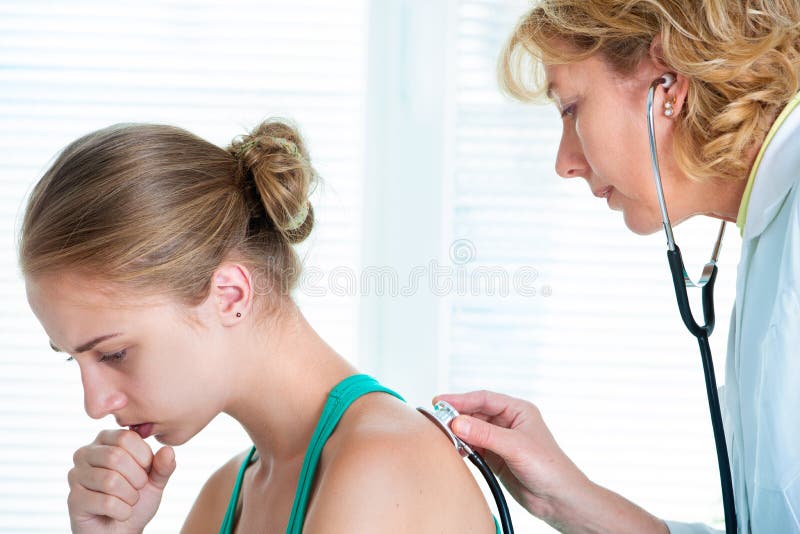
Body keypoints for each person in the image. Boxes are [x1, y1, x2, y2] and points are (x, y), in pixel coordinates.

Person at [19, 120, 500, 533]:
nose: (95, 404)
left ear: (230, 295)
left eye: (114, 354)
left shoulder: (386, 464)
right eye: (73, 358)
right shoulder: (228, 493)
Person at [437, 1, 800, 532]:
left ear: (666, 83)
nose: (564, 162)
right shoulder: (770, 230)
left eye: (570, 109)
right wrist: (561, 498)